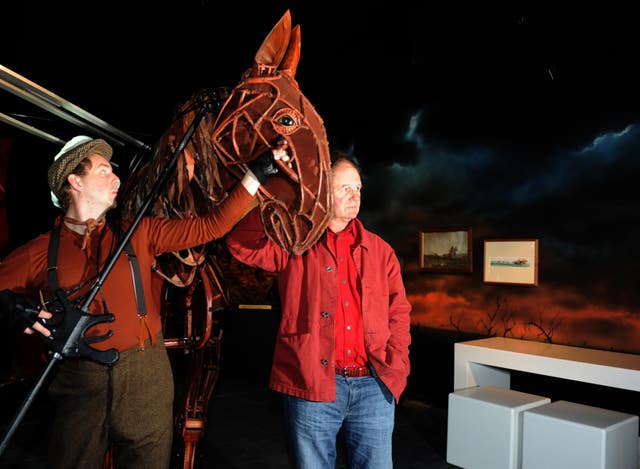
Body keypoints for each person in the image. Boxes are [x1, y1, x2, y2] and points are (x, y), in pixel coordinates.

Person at [0, 135, 287, 469]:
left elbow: (212, 225)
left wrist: (256, 174)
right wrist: (10, 307)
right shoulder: (39, 251)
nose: (116, 178)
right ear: (74, 181)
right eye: (104, 171)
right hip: (79, 382)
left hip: (145, 375)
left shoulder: (140, 232)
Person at [225, 152, 412, 468]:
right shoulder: (294, 243)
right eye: (344, 189)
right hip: (312, 384)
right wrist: (282, 194)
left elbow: (399, 311)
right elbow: (240, 242)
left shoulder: (381, 251)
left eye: (358, 189)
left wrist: (397, 362)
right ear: (324, 191)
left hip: (374, 385)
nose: (354, 197)